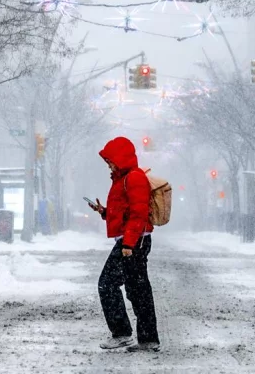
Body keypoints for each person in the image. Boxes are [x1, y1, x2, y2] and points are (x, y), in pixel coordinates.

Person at [88, 136, 160, 353]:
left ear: (120, 158)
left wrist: (128, 244)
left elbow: (138, 214)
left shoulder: (134, 178)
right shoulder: (123, 179)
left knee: (107, 284)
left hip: (134, 242)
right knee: (137, 289)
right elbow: (126, 212)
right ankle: (148, 340)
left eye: (110, 160)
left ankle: (122, 334)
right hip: (132, 240)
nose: (108, 164)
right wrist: (105, 212)